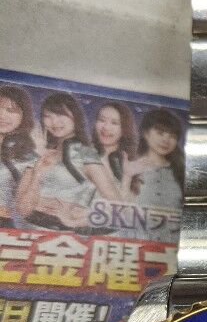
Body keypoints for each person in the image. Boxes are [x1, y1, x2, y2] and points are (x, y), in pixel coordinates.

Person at [16, 91, 122, 231]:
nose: (55, 122)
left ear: (75, 116)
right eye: (48, 116)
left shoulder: (85, 154)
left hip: (63, 235)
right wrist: (37, 175)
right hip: (28, 232)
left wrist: (77, 220)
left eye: (61, 115)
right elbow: (22, 209)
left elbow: (118, 207)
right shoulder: (39, 155)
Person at [123, 108, 184, 237]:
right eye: (160, 133)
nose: (166, 140)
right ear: (146, 133)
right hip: (135, 241)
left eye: (172, 136)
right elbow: (120, 209)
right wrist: (127, 176)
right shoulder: (130, 165)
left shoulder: (181, 172)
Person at [0, 84, 37, 227]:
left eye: (11, 110)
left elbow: (24, 209)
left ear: (23, 116)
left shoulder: (28, 157)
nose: (2, 115)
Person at [92, 100, 138, 187]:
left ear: (125, 128)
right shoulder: (84, 153)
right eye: (102, 120)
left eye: (114, 123)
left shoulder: (130, 163)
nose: (106, 127)